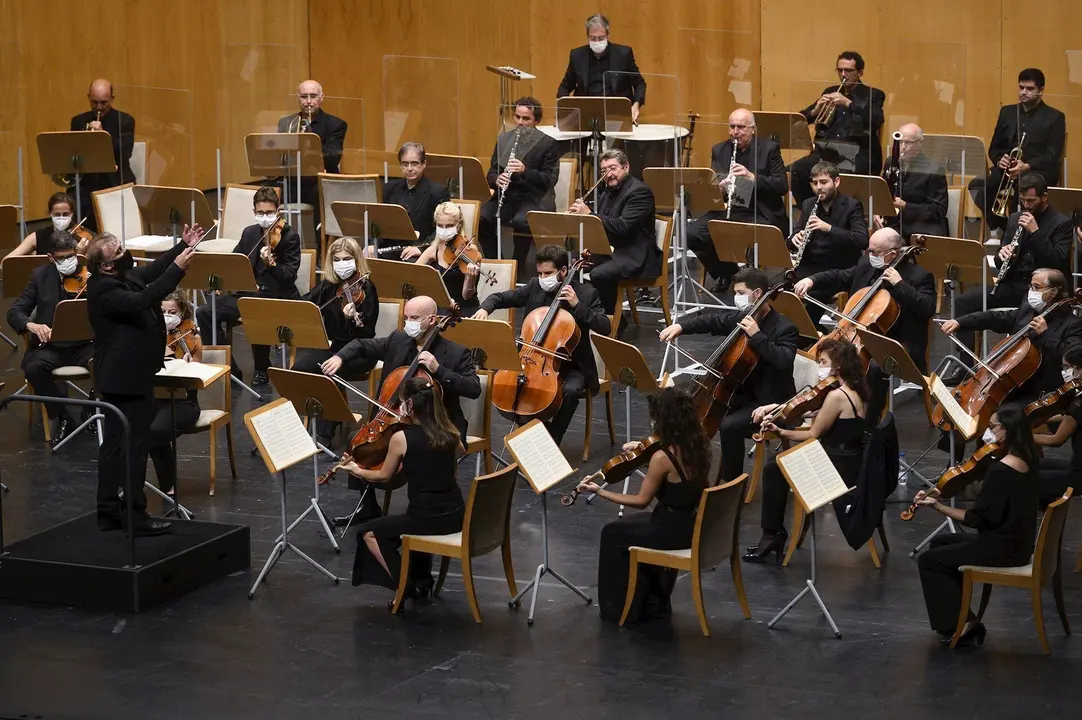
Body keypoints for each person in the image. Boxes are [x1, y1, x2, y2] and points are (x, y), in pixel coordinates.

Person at [321, 295, 480, 522]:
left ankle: (426, 512)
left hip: (437, 424)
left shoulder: (455, 353)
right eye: (406, 317)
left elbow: (474, 388)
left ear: (432, 320)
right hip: (396, 418)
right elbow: (362, 344)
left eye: (414, 318)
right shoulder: (399, 339)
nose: (408, 323)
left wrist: (439, 370)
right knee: (358, 440)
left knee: (418, 450)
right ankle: (367, 507)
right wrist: (340, 358)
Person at [86, 225, 202, 536]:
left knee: (114, 445)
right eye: (120, 253)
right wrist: (178, 270)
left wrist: (181, 247)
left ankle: (108, 511)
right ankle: (135, 515)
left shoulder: (120, 277)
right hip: (126, 379)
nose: (127, 256)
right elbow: (147, 297)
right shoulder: (104, 290)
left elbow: (152, 271)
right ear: (106, 265)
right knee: (133, 448)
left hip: (124, 376)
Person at [577, 387, 709, 623]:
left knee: (612, 533)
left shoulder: (661, 458)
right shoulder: (699, 445)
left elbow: (640, 501)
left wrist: (600, 491)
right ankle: (652, 598)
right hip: (691, 523)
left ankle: (618, 609)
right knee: (629, 528)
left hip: (670, 530)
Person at [659, 267, 798, 483]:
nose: (737, 298)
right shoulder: (745, 316)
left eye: (741, 293)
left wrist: (757, 336)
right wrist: (680, 326)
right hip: (741, 394)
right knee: (690, 413)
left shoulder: (785, 328)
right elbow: (714, 320)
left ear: (758, 294)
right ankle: (686, 474)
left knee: (729, 426)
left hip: (770, 401)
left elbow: (783, 359)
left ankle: (731, 483)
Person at [915, 404, 1039, 646]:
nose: (988, 432)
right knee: (941, 542)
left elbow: (976, 519)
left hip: (1002, 548)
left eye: (993, 427)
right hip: (1018, 541)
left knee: (929, 561)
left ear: (1006, 431)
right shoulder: (1028, 460)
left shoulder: (1000, 471)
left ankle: (963, 624)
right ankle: (960, 618)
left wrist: (938, 506)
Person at [743, 339, 868, 563]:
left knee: (773, 469)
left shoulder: (837, 396)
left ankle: (771, 535)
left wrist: (780, 432)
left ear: (837, 366)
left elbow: (813, 434)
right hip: (849, 460)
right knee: (776, 465)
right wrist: (783, 409)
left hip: (837, 469)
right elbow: (817, 413)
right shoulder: (854, 389)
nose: (819, 367)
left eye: (823, 362)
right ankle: (772, 535)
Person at [795, 227, 936, 424]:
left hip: (900, 342)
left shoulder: (920, 276)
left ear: (893, 254)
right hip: (860, 333)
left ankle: (868, 424)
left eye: (875, 252)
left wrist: (900, 284)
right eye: (869, 251)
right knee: (822, 352)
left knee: (876, 367)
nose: (870, 255)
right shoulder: (866, 264)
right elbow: (841, 276)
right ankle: (819, 408)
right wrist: (813, 279)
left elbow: (927, 308)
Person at [472, 244, 610, 444]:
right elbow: (500, 297)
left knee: (570, 391)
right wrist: (486, 308)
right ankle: (533, 433)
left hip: (572, 365)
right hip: (535, 361)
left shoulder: (586, 294)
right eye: (540, 273)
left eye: (548, 273)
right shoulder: (535, 286)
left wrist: (577, 306)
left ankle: (552, 440)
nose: (543, 278)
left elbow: (605, 326)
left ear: (563, 271)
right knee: (513, 386)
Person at [344, 378, 465, 601]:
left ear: (409, 405)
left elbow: (383, 476)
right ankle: (421, 581)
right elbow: (456, 454)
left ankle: (405, 587)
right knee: (404, 523)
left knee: (369, 532)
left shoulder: (401, 439)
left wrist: (356, 469)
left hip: (425, 518)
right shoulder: (450, 433)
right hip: (456, 515)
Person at [948, 174, 1073, 360]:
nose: (1027, 206)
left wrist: (1036, 232)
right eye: (1023, 201)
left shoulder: (1061, 222)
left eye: (1031, 200)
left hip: (1042, 290)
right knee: (963, 302)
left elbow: (1059, 261)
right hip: (1013, 284)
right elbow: (1000, 262)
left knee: (1020, 318)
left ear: (1044, 197)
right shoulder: (1015, 218)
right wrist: (1002, 254)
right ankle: (966, 363)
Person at [195, 186, 301, 387]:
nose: (265, 217)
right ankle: (228, 367)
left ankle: (262, 367)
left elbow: (289, 276)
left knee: (255, 311)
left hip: (275, 296)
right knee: (206, 312)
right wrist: (222, 281)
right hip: (246, 294)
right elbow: (235, 262)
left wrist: (272, 265)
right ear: (254, 212)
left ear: (278, 211)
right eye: (260, 213)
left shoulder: (289, 237)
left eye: (269, 212)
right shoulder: (250, 233)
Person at [941, 268, 1082, 404]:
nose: (1031, 292)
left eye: (1036, 287)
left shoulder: (1073, 324)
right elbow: (997, 318)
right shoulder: (1028, 310)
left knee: (1000, 415)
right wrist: (960, 322)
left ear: (1053, 292)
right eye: (1031, 286)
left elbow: (1069, 357)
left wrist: (1045, 334)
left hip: (1042, 391)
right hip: (1015, 385)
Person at [6, 231, 94, 446]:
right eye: (62, 258)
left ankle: (92, 408)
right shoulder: (40, 276)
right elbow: (15, 311)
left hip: (84, 345)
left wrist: (99, 285)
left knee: (111, 358)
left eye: (71, 256)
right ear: (51, 258)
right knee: (32, 367)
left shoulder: (89, 274)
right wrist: (32, 325)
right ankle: (62, 415)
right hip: (51, 347)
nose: (68, 262)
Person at [686, 109, 789, 292]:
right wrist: (720, 187)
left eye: (741, 127)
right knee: (692, 233)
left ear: (753, 129)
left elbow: (782, 185)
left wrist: (752, 177)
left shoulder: (769, 149)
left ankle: (753, 283)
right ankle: (729, 272)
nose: (735, 132)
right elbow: (713, 191)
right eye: (732, 127)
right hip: (730, 209)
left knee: (749, 235)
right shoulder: (719, 150)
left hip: (760, 210)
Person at [292, 236, 379, 446]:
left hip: (360, 351)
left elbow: (367, 330)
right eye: (337, 259)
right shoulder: (329, 286)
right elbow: (305, 303)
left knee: (328, 371)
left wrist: (351, 320)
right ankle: (298, 424)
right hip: (334, 348)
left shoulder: (367, 288)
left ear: (357, 259)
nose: (342, 264)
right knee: (298, 369)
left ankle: (324, 436)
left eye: (347, 258)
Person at [968, 68, 1066, 234]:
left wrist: (1027, 165)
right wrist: (1000, 160)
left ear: (1041, 91)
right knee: (977, 185)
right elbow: (994, 147)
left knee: (1024, 187)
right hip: (1008, 170)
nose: (1024, 92)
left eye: (1029, 89)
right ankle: (1002, 226)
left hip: (1037, 170)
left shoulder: (1055, 117)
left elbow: (1052, 156)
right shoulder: (1007, 112)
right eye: (1021, 88)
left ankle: (1017, 236)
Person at [568, 149, 660, 320]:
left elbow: (623, 227)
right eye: (603, 171)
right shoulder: (607, 193)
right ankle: (584, 315)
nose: (608, 174)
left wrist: (590, 215)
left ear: (626, 167)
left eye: (612, 168)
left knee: (599, 274)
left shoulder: (639, 192)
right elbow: (601, 227)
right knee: (571, 263)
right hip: (615, 249)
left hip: (636, 254)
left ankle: (612, 320)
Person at [791, 51, 885, 205]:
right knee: (797, 170)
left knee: (839, 176)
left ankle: (840, 215)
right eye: (840, 70)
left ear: (860, 72)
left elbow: (875, 120)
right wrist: (815, 110)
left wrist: (848, 103)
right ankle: (811, 211)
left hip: (856, 154)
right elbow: (801, 119)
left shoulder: (873, 95)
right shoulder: (830, 91)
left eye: (848, 71)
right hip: (827, 152)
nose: (843, 75)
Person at [478, 97, 560, 273]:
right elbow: (492, 171)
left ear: (536, 120)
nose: (520, 123)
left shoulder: (548, 143)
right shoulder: (504, 139)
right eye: (517, 117)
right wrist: (496, 179)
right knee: (482, 218)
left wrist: (525, 171)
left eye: (526, 119)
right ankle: (497, 264)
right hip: (508, 196)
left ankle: (518, 266)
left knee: (521, 221)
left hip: (535, 196)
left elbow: (550, 179)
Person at [788, 161, 869, 323]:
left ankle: (804, 335)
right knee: (780, 287)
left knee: (811, 294)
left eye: (824, 182)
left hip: (838, 268)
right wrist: (794, 239)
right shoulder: (809, 204)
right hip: (810, 265)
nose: (819, 187)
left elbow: (862, 240)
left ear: (836, 182)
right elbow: (795, 237)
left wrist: (828, 228)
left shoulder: (852, 206)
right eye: (815, 183)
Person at [277, 79, 347, 251]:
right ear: (297, 98)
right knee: (270, 194)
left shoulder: (336, 124)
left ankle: (319, 250)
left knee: (319, 195)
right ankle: (279, 248)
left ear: (321, 98)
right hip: (293, 179)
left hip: (320, 182)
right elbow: (281, 154)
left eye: (313, 96)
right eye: (304, 96)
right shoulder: (286, 123)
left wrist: (309, 140)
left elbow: (332, 158)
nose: (308, 101)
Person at [148, 290, 203, 496]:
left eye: (172, 312)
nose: (167, 316)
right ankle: (165, 485)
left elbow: (197, 377)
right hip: (153, 398)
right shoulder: (148, 334)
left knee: (154, 432)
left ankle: (168, 485)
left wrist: (188, 365)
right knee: (135, 429)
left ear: (182, 314)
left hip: (184, 402)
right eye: (162, 311)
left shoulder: (190, 335)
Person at [69, 79, 135, 232]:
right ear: (88, 98)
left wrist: (104, 135)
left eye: (104, 102)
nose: (99, 107)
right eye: (94, 102)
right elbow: (73, 152)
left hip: (115, 180)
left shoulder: (124, 121)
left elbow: (126, 153)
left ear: (112, 98)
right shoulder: (78, 121)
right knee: (71, 198)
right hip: (87, 181)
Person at [557, 14, 646, 125]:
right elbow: (565, 86)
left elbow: (639, 83)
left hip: (617, 115)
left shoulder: (623, 54)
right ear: (587, 37)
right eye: (592, 38)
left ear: (608, 36)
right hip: (585, 116)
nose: (597, 41)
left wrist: (636, 105)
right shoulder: (577, 56)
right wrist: (563, 108)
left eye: (601, 38)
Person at [373, 142, 451, 260]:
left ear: (423, 164)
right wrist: (372, 244)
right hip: (391, 247)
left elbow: (441, 230)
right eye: (405, 164)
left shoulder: (438, 192)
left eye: (414, 164)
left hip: (419, 250)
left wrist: (420, 248)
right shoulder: (389, 188)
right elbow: (379, 221)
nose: (409, 169)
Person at [874, 123, 949, 240]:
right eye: (900, 142)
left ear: (920, 143)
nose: (903, 147)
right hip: (894, 224)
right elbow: (882, 193)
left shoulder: (934, 170)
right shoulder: (891, 162)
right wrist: (877, 212)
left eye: (908, 142)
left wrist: (905, 205)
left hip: (919, 227)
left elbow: (938, 210)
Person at [1032, 342, 1082, 508]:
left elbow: (1056, 440)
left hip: (1078, 476)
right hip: (1076, 464)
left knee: (1019, 478)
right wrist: (1040, 418)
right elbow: (1068, 417)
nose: (1066, 372)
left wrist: (1020, 433)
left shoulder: (1080, 403)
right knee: (1032, 463)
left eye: (1069, 367)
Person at [416, 202, 480, 316]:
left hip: (464, 308)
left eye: (449, 226)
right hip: (441, 306)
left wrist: (470, 277)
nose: (444, 230)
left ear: (459, 224)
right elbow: (412, 274)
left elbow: (466, 295)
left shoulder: (470, 251)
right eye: (440, 226)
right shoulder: (433, 250)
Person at [2, 192, 89, 264]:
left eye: (65, 214)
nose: (61, 217)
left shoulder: (82, 239)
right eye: (57, 214)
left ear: (72, 213)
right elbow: (7, 261)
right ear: (50, 213)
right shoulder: (38, 236)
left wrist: (80, 255)